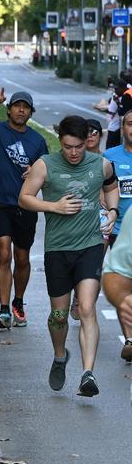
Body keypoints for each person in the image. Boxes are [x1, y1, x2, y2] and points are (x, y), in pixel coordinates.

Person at [18, 115, 118, 397]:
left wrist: (112, 212)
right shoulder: (45, 165)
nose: (73, 153)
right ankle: (60, 355)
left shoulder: (100, 164)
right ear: (59, 142)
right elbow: (24, 198)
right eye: (67, 147)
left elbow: (111, 187)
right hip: (58, 249)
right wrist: (54, 206)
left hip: (90, 246)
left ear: (87, 141)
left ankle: (88, 374)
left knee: (86, 308)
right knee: (59, 315)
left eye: (78, 147)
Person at [0, 90, 49, 330]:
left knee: (21, 258)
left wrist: (35, 171)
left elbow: (46, 172)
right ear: (9, 109)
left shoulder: (37, 141)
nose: (21, 110)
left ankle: (18, 302)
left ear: (31, 112)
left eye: (26, 107)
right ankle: (3, 310)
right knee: (3, 253)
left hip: (25, 203)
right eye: (17, 106)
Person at [103, 104, 132, 359]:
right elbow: (102, 188)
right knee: (125, 285)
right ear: (122, 128)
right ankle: (130, 338)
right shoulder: (111, 155)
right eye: (130, 124)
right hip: (120, 230)